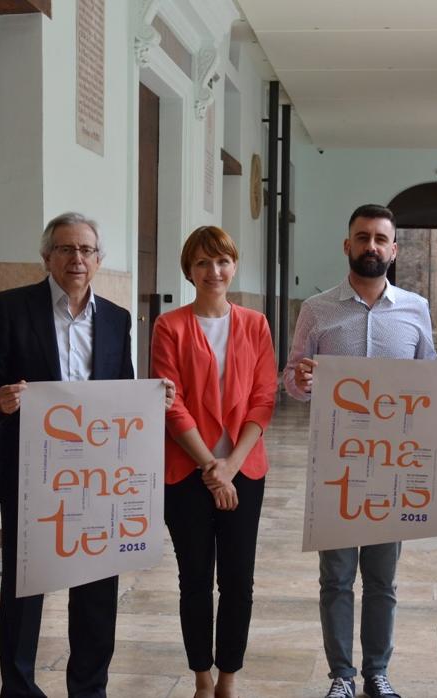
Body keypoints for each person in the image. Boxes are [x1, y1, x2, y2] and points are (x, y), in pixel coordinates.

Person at [0, 211, 173, 697]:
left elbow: (121, 388)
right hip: (32, 471)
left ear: (99, 260)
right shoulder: (12, 306)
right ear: (47, 258)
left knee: (97, 590)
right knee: (25, 587)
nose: (76, 258)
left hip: (97, 476)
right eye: (65, 249)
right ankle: (17, 688)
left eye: (86, 250)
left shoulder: (117, 317)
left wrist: (153, 399)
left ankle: (88, 687)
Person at [284, 204, 437, 698]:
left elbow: (427, 374)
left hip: (393, 467)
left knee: (383, 580)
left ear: (393, 250)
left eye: (380, 239)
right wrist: (300, 379)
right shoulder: (317, 309)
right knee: (337, 578)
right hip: (337, 465)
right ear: (347, 245)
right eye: (362, 237)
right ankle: (342, 677)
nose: (371, 246)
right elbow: (293, 381)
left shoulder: (415, 308)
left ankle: (377, 673)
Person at [151, 226, 277, 698]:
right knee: (195, 579)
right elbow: (171, 402)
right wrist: (211, 467)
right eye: (203, 263)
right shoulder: (171, 326)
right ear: (189, 270)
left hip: (246, 469)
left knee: (239, 579)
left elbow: (264, 397)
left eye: (222, 261)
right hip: (186, 471)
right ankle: (202, 676)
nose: (214, 271)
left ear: (234, 265)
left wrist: (231, 465)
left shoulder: (255, 324)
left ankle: (229, 676)